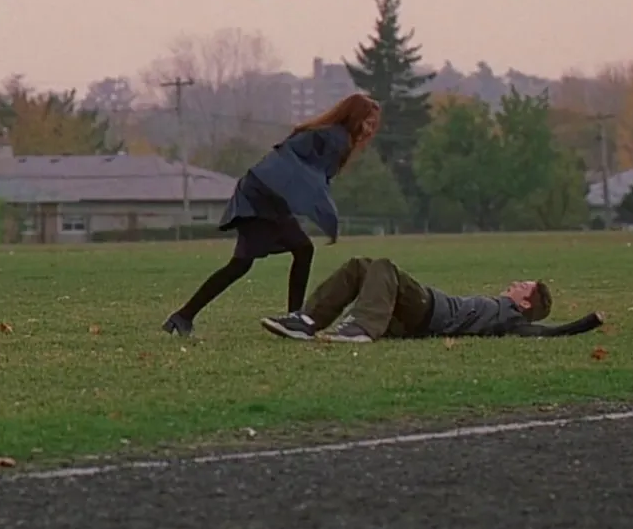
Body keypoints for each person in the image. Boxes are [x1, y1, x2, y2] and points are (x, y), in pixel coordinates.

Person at [162, 93, 382, 337]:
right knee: (245, 264)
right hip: (262, 199)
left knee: (296, 250)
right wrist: (327, 214)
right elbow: (312, 179)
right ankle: (185, 316)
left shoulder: (326, 134)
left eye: (373, 124)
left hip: (263, 194)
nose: (370, 129)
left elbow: (300, 168)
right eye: (367, 122)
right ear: (354, 117)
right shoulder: (335, 139)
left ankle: (292, 318)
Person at [261, 257, 606, 343]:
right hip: (413, 318)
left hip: (428, 310)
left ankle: (361, 328)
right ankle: (307, 321)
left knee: (384, 267)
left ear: (526, 303)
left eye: (522, 286)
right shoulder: (501, 309)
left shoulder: (512, 319)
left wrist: (589, 322)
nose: (514, 284)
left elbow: (549, 333)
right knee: (360, 266)